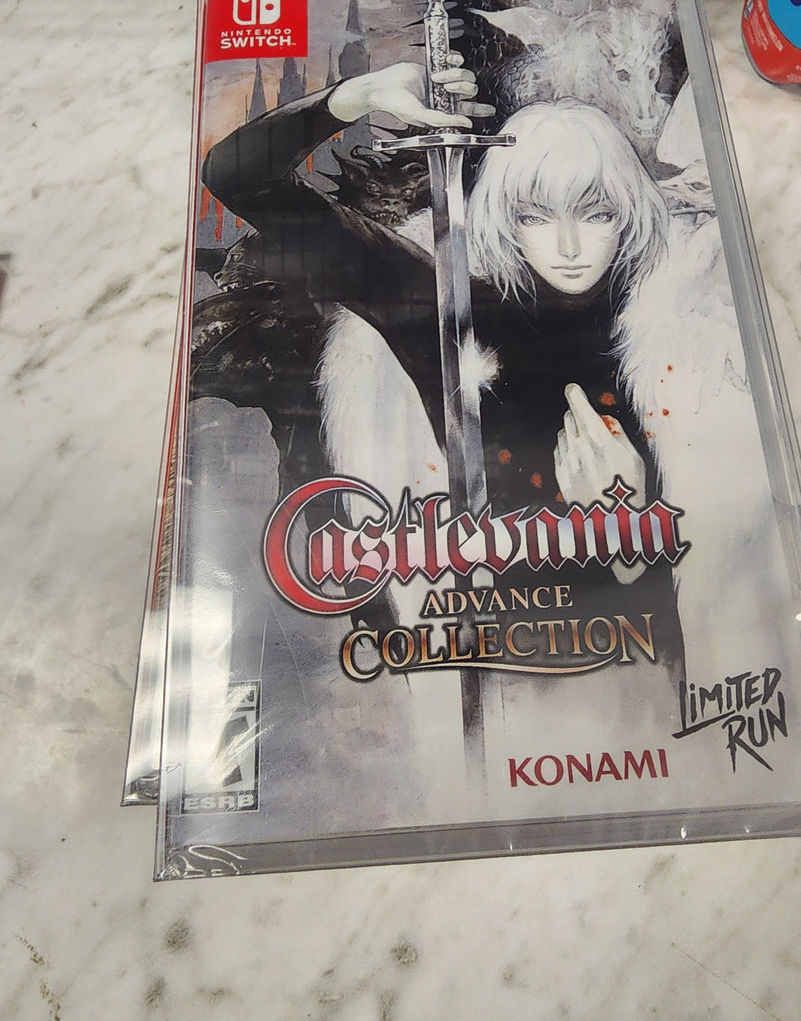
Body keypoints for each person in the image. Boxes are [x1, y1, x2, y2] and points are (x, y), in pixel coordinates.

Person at [201, 57, 684, 672]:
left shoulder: (675, 318)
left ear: (631, 212)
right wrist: (357, 96)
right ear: (502, 216)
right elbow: (237, 176)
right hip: (498, 667)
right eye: (535, 215)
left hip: (648, 677)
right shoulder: (444, 308)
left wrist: (627, 528)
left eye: (597, 213)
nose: (568, 247)